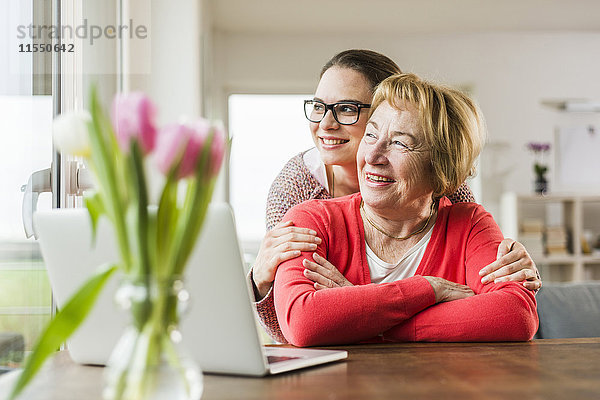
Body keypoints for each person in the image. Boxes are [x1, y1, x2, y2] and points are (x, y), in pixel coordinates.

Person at [250, 50, 540, 343]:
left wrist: (361, 317)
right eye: (372, 136)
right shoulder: (301, 203)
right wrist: (261, 284)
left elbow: (512, 312)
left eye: (347, 108)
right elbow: (298, 326)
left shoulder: (461, 210)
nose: (326, 124)